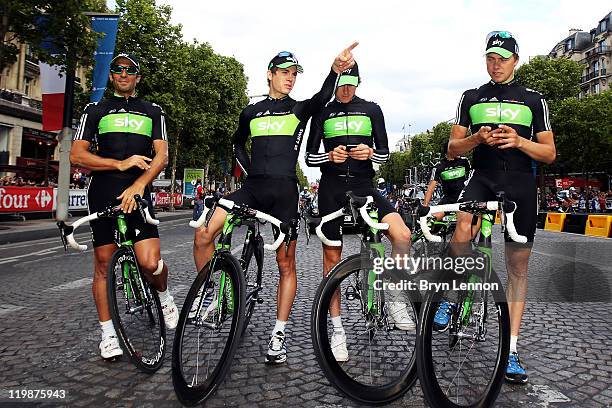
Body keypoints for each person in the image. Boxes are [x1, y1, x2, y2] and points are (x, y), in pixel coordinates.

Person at [193, 43, 359, 365]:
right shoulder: (250, 111)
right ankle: (209, 292)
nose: (290, 79)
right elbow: (236, 142)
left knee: (286, 265)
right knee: (203, 234)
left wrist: (335, 70)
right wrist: (247, 168)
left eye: (294, 74)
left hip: (284, 193)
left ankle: (279, 333)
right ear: (270, 74)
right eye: (285, 73)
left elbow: (321, 97)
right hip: (252, 188)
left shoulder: (299, 109)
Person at [445, 32, 556, 384]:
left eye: (502, 59)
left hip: (521, 182)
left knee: (517, 268)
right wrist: (477, 138)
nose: (496, 64)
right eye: (490, 58)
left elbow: (550, 153)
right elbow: (452, 148)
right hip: (484, 175)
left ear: (515, 61)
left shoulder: (534, 100)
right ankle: (453, 292)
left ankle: (511, 349)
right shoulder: (470, 97)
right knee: (464, 221)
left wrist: (519, 141)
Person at [71, 52, 178, 360]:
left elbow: (162, 156)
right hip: (104, 189)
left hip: (139, 190)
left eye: (129, 70)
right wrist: (119, 164)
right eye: (117, 69)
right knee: (103, 264)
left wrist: (139, 184)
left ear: (137, 77)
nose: (122, 73)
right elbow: (77, 156)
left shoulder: (153, 110)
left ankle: (164, 293)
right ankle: (107, 335)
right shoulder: (95, 109)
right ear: (111, 76)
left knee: (149, 262)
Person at [305, 62, 413, 362]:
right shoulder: (323, 112)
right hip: (331, 187)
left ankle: (393, 295)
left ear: (359, 82)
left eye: (351, 83)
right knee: (332, 257)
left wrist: (370, 154)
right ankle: (337, 329)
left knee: (402, 234)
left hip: (365, 185)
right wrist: (329, 155)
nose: (346, 89)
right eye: (342, 83)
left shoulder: (372, 109)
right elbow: (310, 158)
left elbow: (385, 153)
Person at [424, 142, 471, 224]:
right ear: (449, 151)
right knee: (432, 220)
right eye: (456, 149)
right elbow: (431, 187)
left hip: (464, 198)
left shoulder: (464, 161)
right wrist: (425, 205)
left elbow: (472, 177)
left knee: (467, 222)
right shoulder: (438, 166)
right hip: (449, 199)